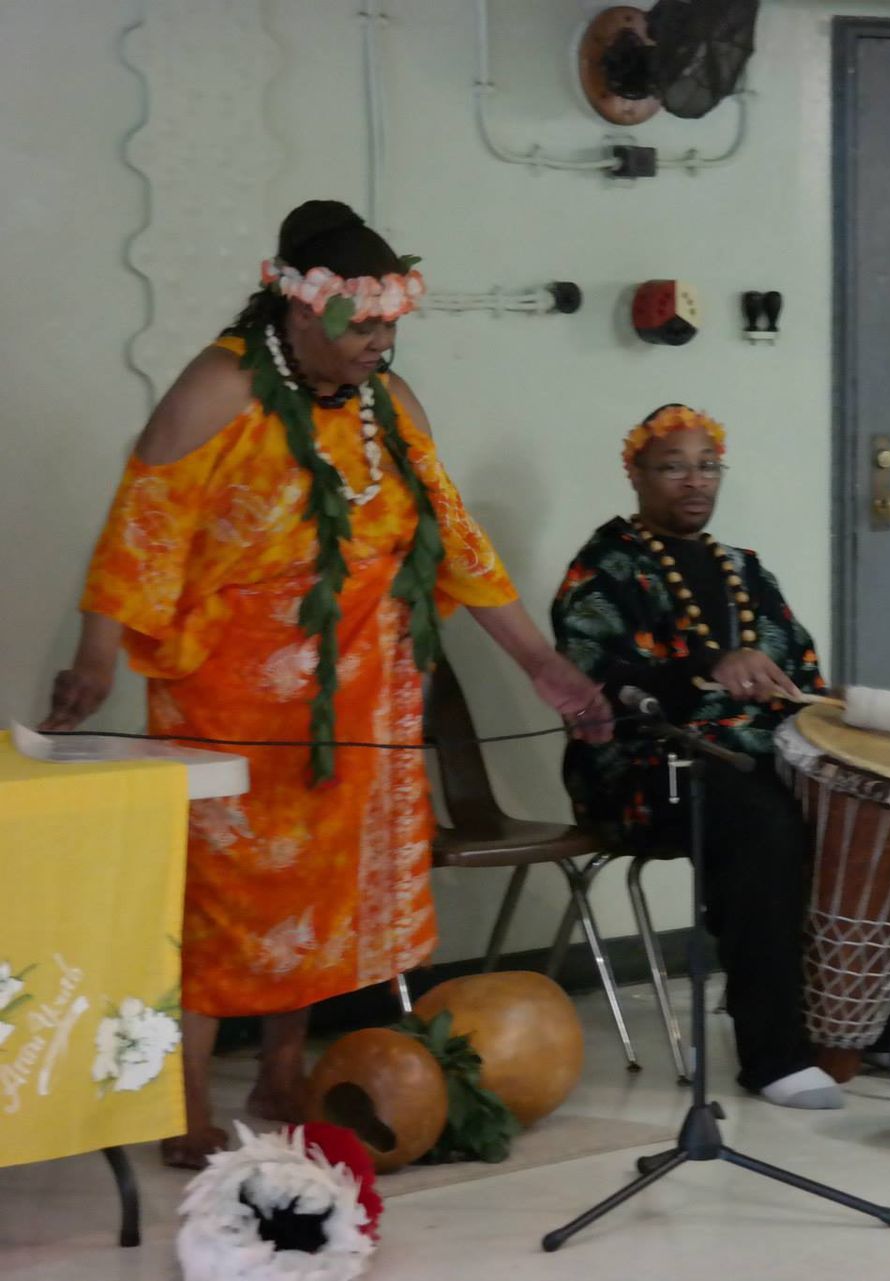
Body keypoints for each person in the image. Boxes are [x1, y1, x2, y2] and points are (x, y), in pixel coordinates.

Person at [41, 201, 611, 1168]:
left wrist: (540, 662)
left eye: (392, 326)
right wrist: (95, 661)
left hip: (361, 693)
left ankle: (280, 1073)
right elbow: (141, 535)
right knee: (221, 899)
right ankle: (183, 1103)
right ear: (301, 308)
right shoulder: (217, 390)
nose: (382, 345)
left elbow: (457, 541)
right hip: (230, 698)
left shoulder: (391, 405)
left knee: (318, 895)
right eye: (364, 326)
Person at [552, 405, 890, 1110]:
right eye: (673, 467)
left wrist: (833, 703)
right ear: (635, 474)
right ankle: (773, 1052)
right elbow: (591, 677)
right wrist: (707, 664)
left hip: (762, 757)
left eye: (707, 466)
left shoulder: (744, 570)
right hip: (646, 768)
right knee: (763, 819)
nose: (695, 482)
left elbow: (797, 680)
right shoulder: (603, 569)